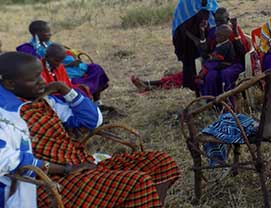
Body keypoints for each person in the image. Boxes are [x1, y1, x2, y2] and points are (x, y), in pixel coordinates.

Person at [0, 52, 181, 208]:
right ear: (9, 84)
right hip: (48, 183)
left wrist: (65, 89)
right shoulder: (5, 114)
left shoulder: (42, 100)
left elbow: (92, 121)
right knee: (138, 183)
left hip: (81, 165)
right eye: (34, 79)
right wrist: (65, 169)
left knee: (161, 162)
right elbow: (7, 160)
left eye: (41, 75)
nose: (42, 82)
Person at [16, 20, 110, 102]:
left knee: (96, 69)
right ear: (37, 34)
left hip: (68, 67)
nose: (50, 34)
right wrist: (68, 65)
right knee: (78, 84)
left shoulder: (48, 44)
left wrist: (74, 59)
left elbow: (62, 55)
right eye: (47, 32)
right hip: (52, 74)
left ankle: (97, 102)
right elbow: (41, 66)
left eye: (49, 32)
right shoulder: (27, 49)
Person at [172, 0, 218, 93]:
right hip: (190, 42)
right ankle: (198, 91)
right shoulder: (185, 3)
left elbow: (216, 13)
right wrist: (195, 40)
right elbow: (181, 26)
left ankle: (208, 88)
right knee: (193, 67)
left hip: (206, 38)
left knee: (208, 64)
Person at [197, 24, 245, 97]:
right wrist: (202, 34)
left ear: (224, 37)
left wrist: (213, 57)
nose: (216, 38)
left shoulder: (228, 45)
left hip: (226, 63)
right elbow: (206, 52)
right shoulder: (217, 43)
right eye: (216, 36)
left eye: (218, 36)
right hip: (218, 62)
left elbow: (223, 57)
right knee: (210, 71)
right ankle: (211, 98)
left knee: (211, 65)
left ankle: (202, 74)